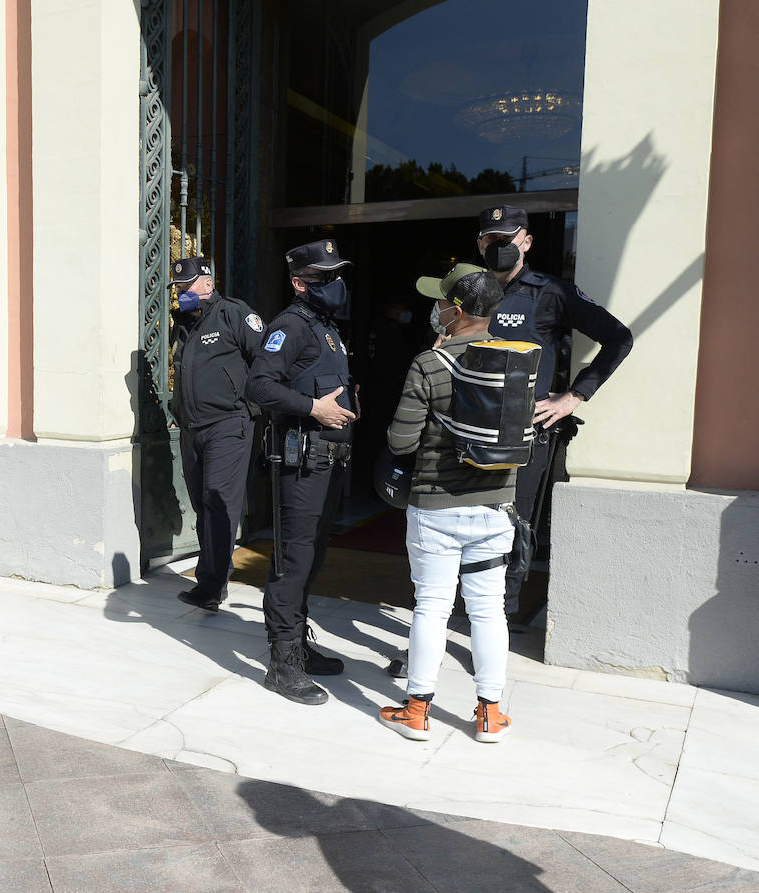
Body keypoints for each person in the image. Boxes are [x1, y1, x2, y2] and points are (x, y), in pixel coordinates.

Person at [378, 264, 517, 743]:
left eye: (440, 303)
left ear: (455, 312)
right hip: (496, 507)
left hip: (436, 507)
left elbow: (400, 442)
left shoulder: (429, 363)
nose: (434, 310)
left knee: (432, 607)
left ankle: (416, 711)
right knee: (488, 610)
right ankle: (490, 714)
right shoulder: (517, 361)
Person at [476, 206, 633, 614]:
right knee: (463, 530)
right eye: (490, 239)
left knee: (511, 531)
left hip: (523, 438)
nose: (497, 247)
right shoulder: (469, 291)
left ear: (526, 242)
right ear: (480, 244)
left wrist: (573, 396)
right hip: (468, 434)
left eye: (506, 239)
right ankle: (451, 620)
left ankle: (496, 626)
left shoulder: (551, 292)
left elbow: (619, 338)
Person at [244, 239, 357, 705]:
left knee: (312, 556)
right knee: (293, 561)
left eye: (336, 275)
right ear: (299, 283)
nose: (335, 283)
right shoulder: (290, 326)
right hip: (302, 460)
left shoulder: (325, 326)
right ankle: (282, 662)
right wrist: (312, 408)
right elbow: (259, 384)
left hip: (328, 462)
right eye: (324, 278)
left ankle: (299, 647)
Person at [168, 255, 266, 610]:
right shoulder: (185, 323)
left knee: (218, 500)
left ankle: (212, 586)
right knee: (201, 504)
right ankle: (208, 579)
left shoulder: (234, 314)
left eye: (187, 285)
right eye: (178, 287)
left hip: (229, 424)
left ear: (207, 283)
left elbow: (266, 361)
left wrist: (251, 405)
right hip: (192, 428)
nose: (181, 292)